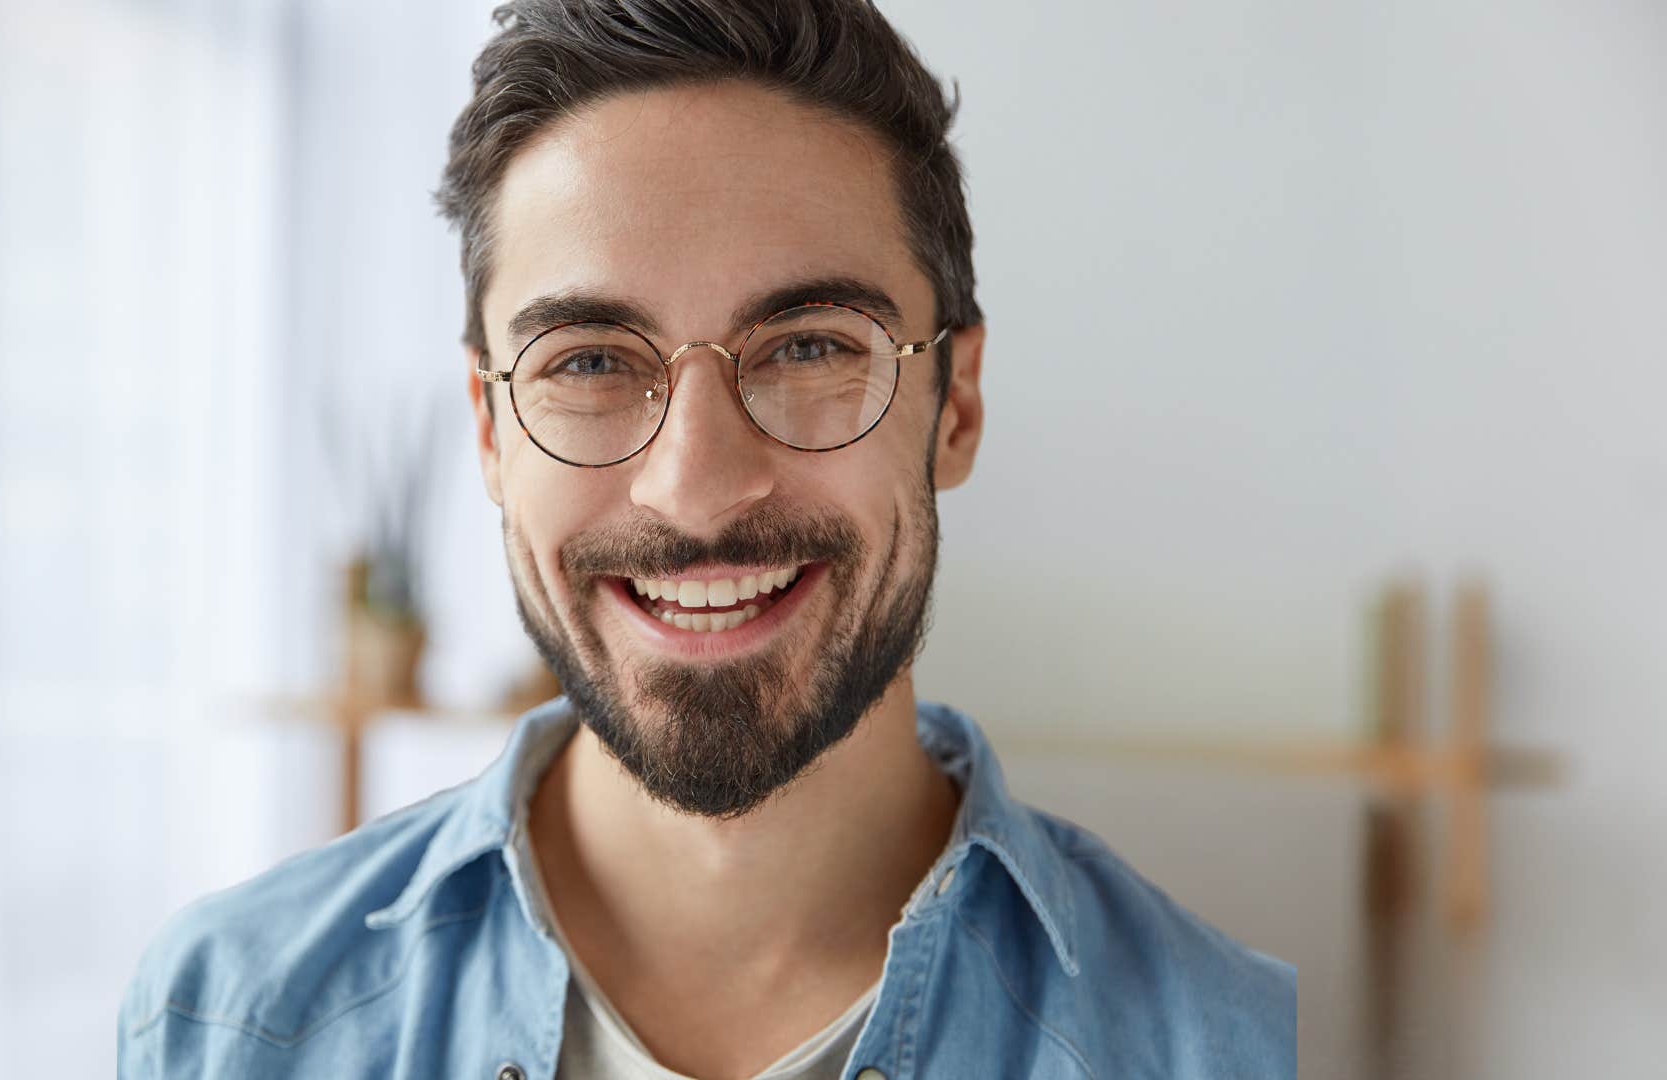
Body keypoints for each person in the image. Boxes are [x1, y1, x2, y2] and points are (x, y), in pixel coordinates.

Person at [119, 2, 1297, 1076]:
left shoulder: (1228, 1044)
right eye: (587, 362)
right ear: (489, 433)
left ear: (959, 405)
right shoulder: (227, 1020)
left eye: (808, 347)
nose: (695, 489)